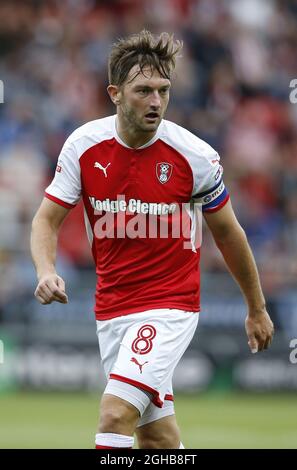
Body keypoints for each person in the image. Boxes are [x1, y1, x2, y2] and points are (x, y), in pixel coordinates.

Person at [30, 30, 274, 450]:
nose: (156, 102)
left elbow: (229, 234)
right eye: (143, 90)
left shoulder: (194, 156)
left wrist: (256, 307)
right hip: (111, 310)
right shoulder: (84, 147)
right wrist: (46, 270)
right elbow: (46, 220)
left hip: (169, 307)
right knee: (157, 439)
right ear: (115, 94)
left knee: (114, 414)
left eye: (163, 90)